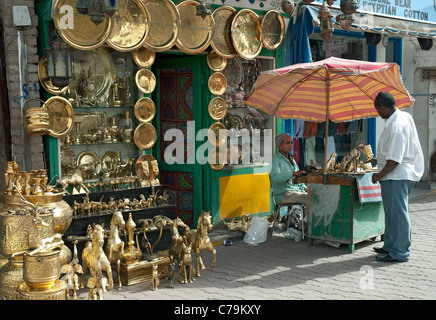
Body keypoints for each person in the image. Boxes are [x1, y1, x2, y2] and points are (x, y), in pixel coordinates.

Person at [368, 91, 424, 262]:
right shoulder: (402, 116)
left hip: (397, 175)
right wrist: (379, 159)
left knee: (398, 214)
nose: (377, 112)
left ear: (384, 107)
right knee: (391, 213)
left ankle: (399, 252)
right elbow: (397, 151)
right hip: (397, 173)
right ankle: (390, 245)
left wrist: (378, 175)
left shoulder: (397, 125)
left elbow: (395, 161)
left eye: (378, 109)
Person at [270, 133, 307, 207]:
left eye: (291, 143)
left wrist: (305, 188)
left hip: (296, 191)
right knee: (309, 198)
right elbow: (275, 178)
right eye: (287, 143)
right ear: (279, 146)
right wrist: (292, 174)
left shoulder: (291, 159)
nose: (291, 145)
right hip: (284, 194)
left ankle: (306, 218)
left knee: (315, 197)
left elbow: (298, 178)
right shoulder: (275, 160)